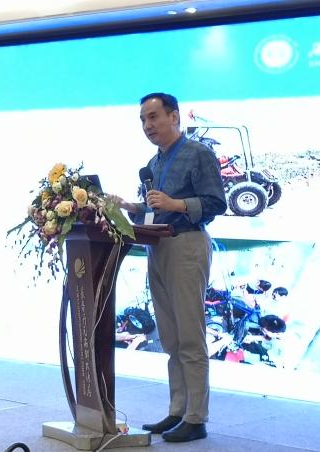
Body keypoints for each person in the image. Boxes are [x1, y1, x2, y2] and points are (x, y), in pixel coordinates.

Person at [111, 93, 226, 443]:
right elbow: (154, 210)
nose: (147, 126)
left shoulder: (198, 153)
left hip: (187, 245)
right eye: (143, 120)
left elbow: (216, 203)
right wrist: (129, 206)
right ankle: (178, 411)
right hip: (158, 247)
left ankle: (196, 417)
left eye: (153, 117)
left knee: (190, 335)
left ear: (174, 116)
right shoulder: (154, 163)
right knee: (171, 338)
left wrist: (175, 203)